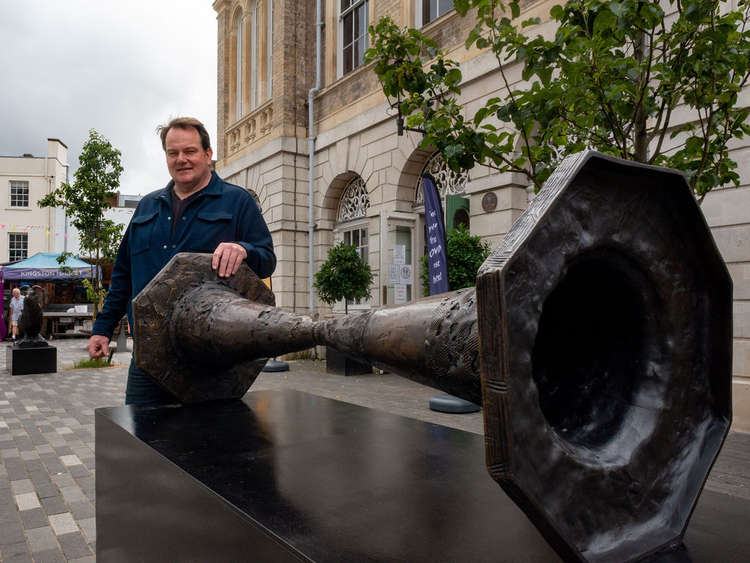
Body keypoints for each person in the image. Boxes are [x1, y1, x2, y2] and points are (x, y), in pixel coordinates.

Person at [87, 117, 276, 405]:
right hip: (148, 359)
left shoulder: (237, 203)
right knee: (140, 441)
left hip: (210, 360)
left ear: (208, 154)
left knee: (208, 445)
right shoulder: (147, 208)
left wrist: (244, 249)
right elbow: (124, 275)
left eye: (190, 151)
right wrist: (102, 329)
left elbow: (267, 260)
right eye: (173, 153)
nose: (181, 160)